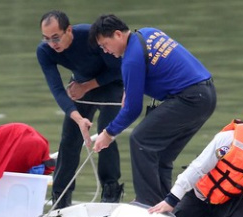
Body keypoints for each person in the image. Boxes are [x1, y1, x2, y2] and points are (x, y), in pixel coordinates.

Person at [89, 14, 216, 206]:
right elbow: (158, 65)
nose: (106, 51)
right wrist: (128, 88)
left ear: (117, 35)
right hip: (207, 95)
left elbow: (132, 110)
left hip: (190, 99)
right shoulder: (149, 33)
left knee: (140, 139)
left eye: (105, 45)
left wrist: (108, 133)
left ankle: (146, 202)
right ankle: (167, 206)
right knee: (161, 155)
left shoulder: (130, 60)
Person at [37, 10, 124, 206]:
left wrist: (87, 86)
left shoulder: (90, 36)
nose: (52, 44)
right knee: (69, 138)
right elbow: (58, 90)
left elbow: (118, 68)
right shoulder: (45, 51)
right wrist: (78, 118)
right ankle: (60, 198)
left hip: (111, 83)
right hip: (80, 85)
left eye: (56, 37)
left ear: (69, 30)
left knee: (106, 132)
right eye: (47, 39)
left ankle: (110, 192)